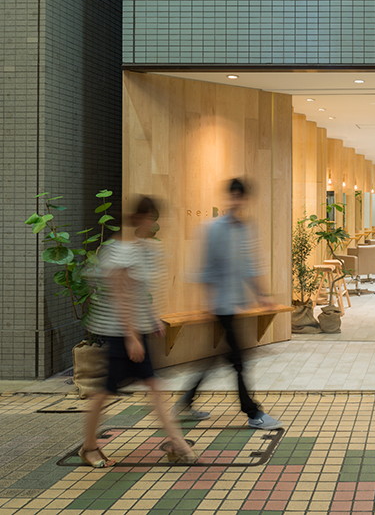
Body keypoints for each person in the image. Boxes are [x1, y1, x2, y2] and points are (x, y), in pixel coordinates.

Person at [81, 196, 196, 467]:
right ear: (140, 219)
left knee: (153, 386)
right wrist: (132, 337)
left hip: (135, 329)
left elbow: (138, 293)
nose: (155, 224)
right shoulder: (119, 250)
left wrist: (152, 318)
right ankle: (88, 447)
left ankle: (175, 442)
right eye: (152, 218)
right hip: (119, 330)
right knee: (105, 391)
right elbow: (120, 297)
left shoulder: (141, 248)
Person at [175, 178, 283, 430]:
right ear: (228, 198)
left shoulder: (245, 229)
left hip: (235, 303)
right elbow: (203, 267)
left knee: (218, 357)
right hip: (220, 304)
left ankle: (186, 399)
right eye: (233, 196)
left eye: (240, 196)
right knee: (238, 361)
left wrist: (262, 296)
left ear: (244, 199)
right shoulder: (213, 228)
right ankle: (252, 411)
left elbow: (250, 266)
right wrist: (207, 299)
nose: (236, 200)